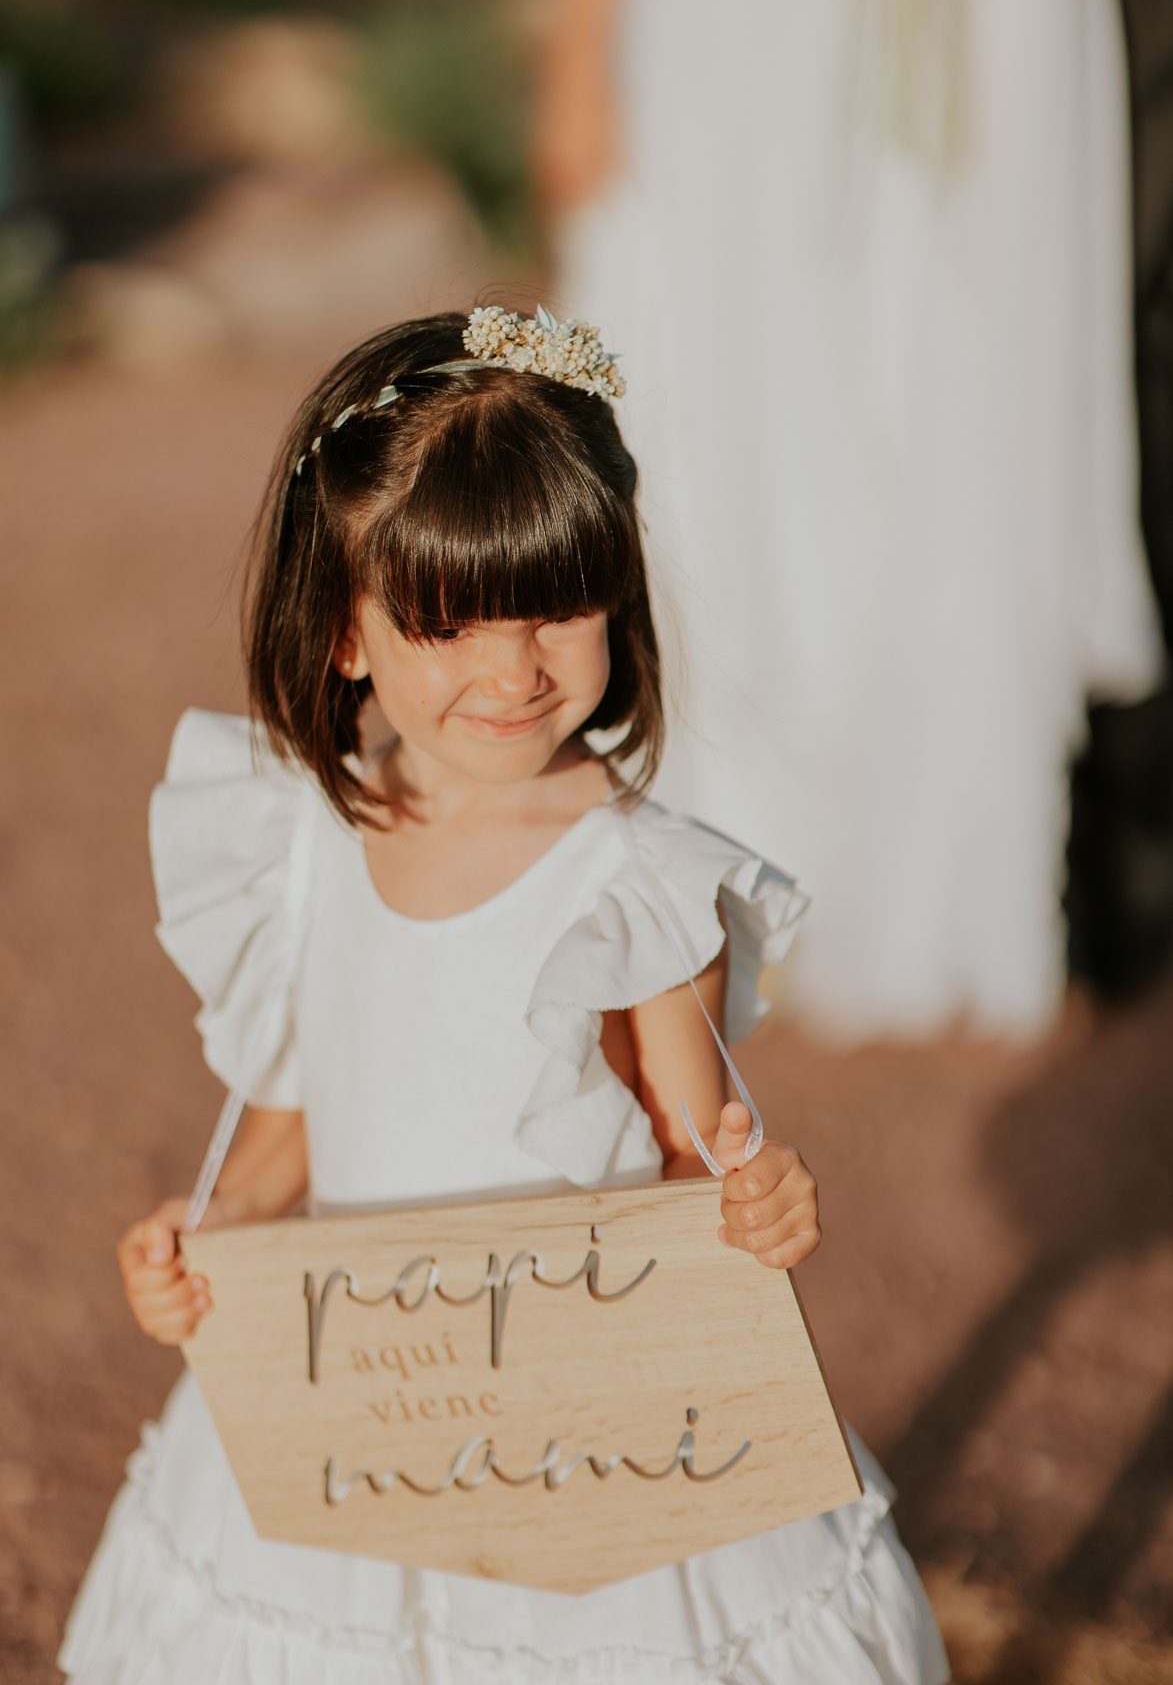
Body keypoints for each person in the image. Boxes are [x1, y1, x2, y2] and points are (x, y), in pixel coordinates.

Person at [60, 308, 948, 1684]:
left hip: (571, 1421)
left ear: (619, 602)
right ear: (346, 635)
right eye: (445, 622)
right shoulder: (302, 840)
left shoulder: (636, 883)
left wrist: (755, 1197)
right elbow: (296, 1116)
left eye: (557, 608)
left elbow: (696, 1146)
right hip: (356, 1404)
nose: (512, 669)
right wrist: (209, 1234)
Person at [539, 0, 1165, 1041]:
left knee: (973, 391)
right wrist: (582, 43)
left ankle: (953, 878)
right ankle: (736, 859)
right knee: (751, 399)